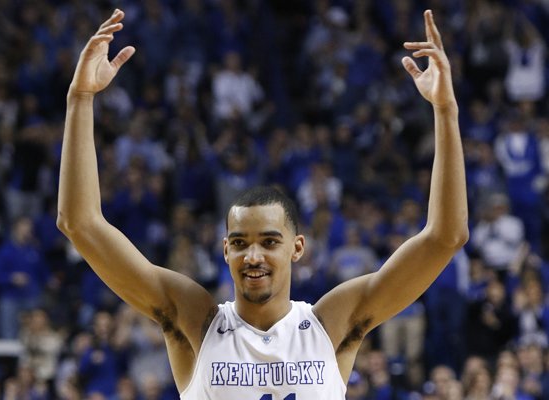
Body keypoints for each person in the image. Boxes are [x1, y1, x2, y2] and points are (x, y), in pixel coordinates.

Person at [57, 8, 468, 399]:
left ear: (297, 247)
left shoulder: (331, 324)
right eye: (239, 242)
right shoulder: (196, 321)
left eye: (270, 241)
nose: (253, 255)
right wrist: (80, 100)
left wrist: (446, 111)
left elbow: (445, 237)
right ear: (225, 249)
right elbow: (80, 223)